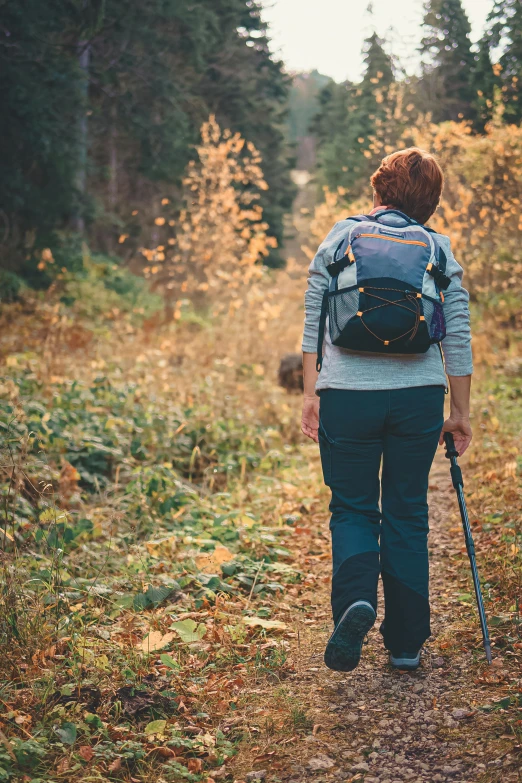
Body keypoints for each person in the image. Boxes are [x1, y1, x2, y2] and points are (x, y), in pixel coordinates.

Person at [301, 148, 473, 672]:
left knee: (352, 507)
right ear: (432, 205)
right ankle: (405, 642)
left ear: (377, 192)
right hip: (418, 396)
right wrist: (460, 412)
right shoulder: (438, 250)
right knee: (407, 509)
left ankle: (355, 602)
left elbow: (313, 319)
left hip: (347, 396)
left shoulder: (340, 236)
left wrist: (310, 394)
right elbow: (458, 336)